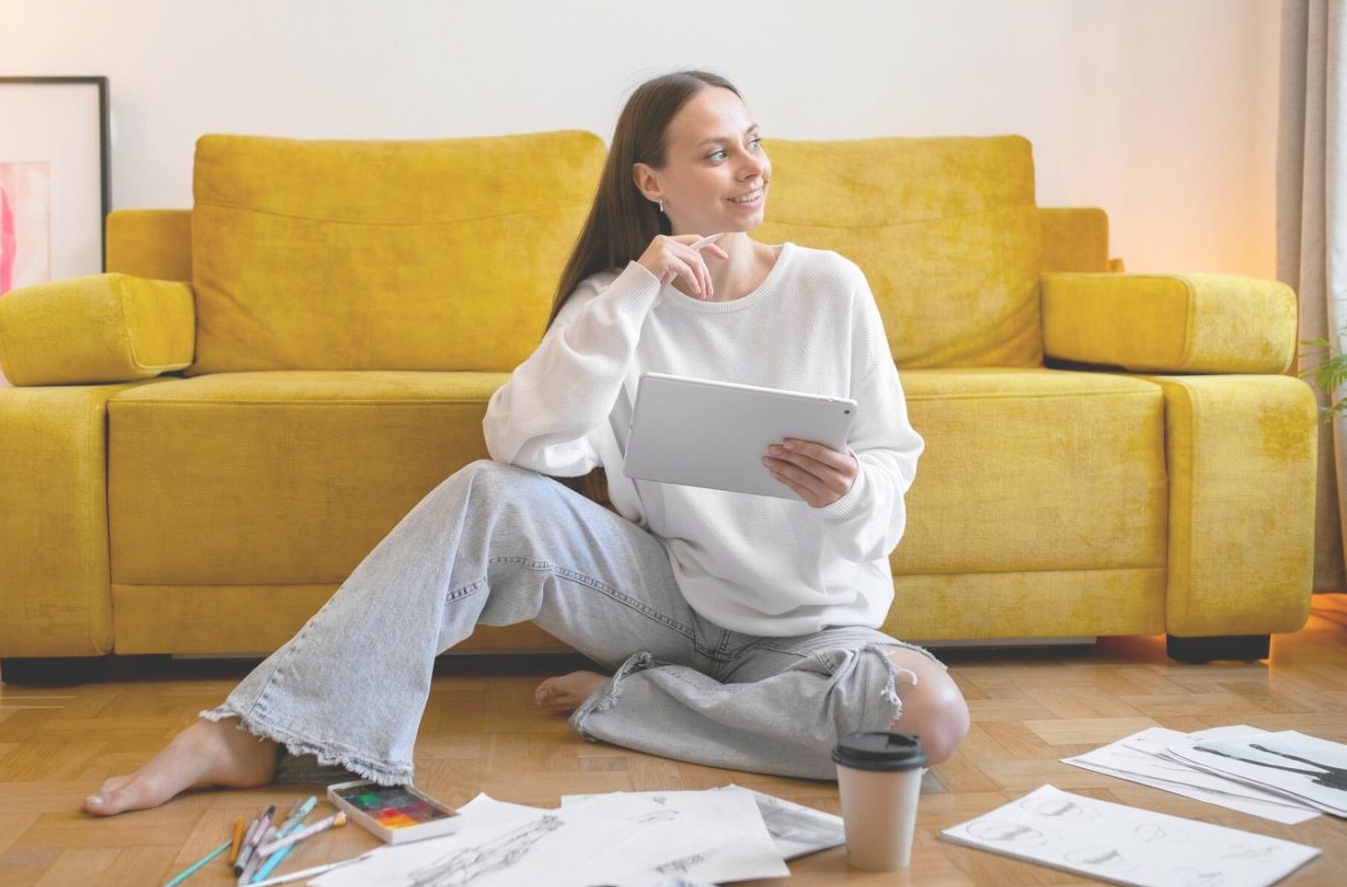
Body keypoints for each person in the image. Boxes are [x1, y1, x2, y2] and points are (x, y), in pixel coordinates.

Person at [81, 69, 969, 818]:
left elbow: (893, 457)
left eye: (753, 141)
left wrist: (851, 490)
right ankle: (248, 731)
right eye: (717, 153)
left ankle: (639, 704)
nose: (752, 169)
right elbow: (524, 448)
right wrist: (632, 294)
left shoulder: (829, 289)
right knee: (484, 492)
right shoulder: (611, 304)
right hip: (670, 601)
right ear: (651, 183)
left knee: (927, 719)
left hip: (810, 634)